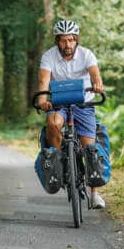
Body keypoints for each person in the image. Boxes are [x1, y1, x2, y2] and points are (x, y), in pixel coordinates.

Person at [35, 18, 107, 209]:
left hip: (83, 105)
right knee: (53, 124)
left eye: (71, 40)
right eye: (63, 40)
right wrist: (43, 100)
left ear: (76, 39)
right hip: (59, 104)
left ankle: (94, 194)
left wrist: (97, 84)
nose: (68, 44)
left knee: (90, 150)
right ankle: (58, 162)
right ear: (57, 41)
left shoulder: (86, 55)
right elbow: (43, 81)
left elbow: (95, 74)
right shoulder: (48, 56)